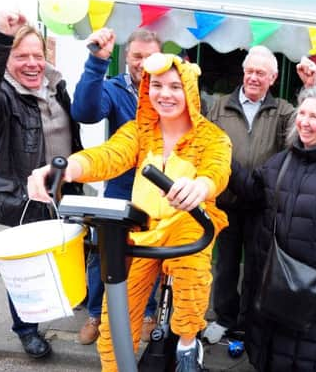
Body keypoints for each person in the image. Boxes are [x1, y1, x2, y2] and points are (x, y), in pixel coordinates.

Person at [27, 52, 232, 372]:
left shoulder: (211, 136)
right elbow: (107, 156)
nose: (165, 94)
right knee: (117, 312)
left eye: (175, 86)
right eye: (158, 85)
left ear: (190, 90)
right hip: (144, 228)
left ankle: (188, 345)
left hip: (187, 221)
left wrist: (201, 187)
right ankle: (114, 362)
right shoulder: (140, 130)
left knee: (192, 276)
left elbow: (217, 170)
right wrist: (66, 169)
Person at [229, 85, 316, 371]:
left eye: (314, 117)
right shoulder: (283, 160)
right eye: (302, 113)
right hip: (273, 285)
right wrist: (224, 161)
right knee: (270, 356)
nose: (304, 122)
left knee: (307, 359)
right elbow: (252, 192)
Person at [0, 10, 83, 359]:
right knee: (27, 268)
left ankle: (56, 305)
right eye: (21, 56)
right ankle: (26, 330)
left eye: (38, 55)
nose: (32, 63)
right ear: (6, 60)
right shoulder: (3, 97)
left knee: (61, 258)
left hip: (64, 196)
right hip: (24, 197)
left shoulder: (58, 89)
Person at [203, 47, 316, 344]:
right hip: (225, 201)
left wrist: (309, 87)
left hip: (263, 204)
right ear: (243, 73)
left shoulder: (282, 110)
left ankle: (248, 321)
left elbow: (305, 128)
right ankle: (226, 317)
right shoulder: (218, 107)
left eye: (261, 73)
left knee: (257, 266)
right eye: (250, 71)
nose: (254, 78)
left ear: (273, 78)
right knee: (226, 265)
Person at [71, 27, 162, 345]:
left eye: (150, 57)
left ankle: (148, 312)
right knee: (103, 254)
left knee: (149, 254)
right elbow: (84, 111)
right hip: (119, 190)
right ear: (127, 57)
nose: (143, 62)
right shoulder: (113, 88)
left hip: (154, 192)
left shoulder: (167, 92)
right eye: (137, 56)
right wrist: (96, 61)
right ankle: (96, 314)